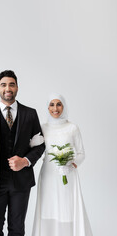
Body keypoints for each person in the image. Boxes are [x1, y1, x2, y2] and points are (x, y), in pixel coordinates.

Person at [0, 70, 45, 236]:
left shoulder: (30, 114)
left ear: (17, 87)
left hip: (21, 181)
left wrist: (25, 161)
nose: (8, 88)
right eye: (3, 85)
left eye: (11, 84)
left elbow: (40, 145)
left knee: (17, 229)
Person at [32, 93, 93, 236]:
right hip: (48, 175)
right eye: (52, 105)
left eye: (58, 104)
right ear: (47, 107)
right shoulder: (43, 127)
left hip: (68, 175)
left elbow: (81, 153)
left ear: (63, 107)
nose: (55, 108)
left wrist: (71, 164)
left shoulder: (72, 127)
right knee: (48, 208)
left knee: (67, 209)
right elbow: (34, 147)